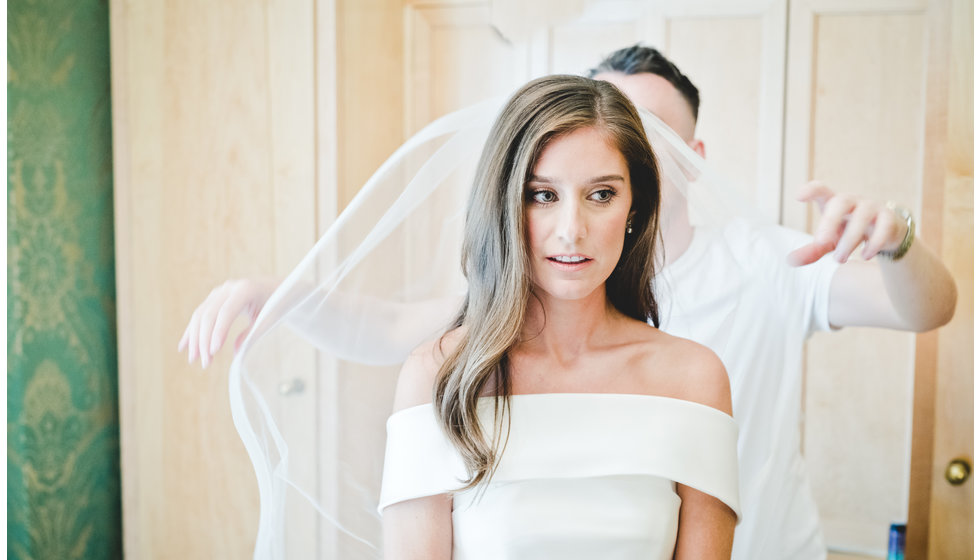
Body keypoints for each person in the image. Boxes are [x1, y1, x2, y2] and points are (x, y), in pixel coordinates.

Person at [587, 45, 957, 559]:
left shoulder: (765, 259)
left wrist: (898, 242)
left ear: (695, 160)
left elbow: (925, 310)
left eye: (652, 132)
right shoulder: (564, 280)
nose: (627, 153)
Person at [379, 74, 738, 559]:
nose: (572, 231)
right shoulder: (438, 377)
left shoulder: (693, 379)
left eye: (602, 194)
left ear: (635, 207)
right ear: (505, 205)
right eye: (543, 195)